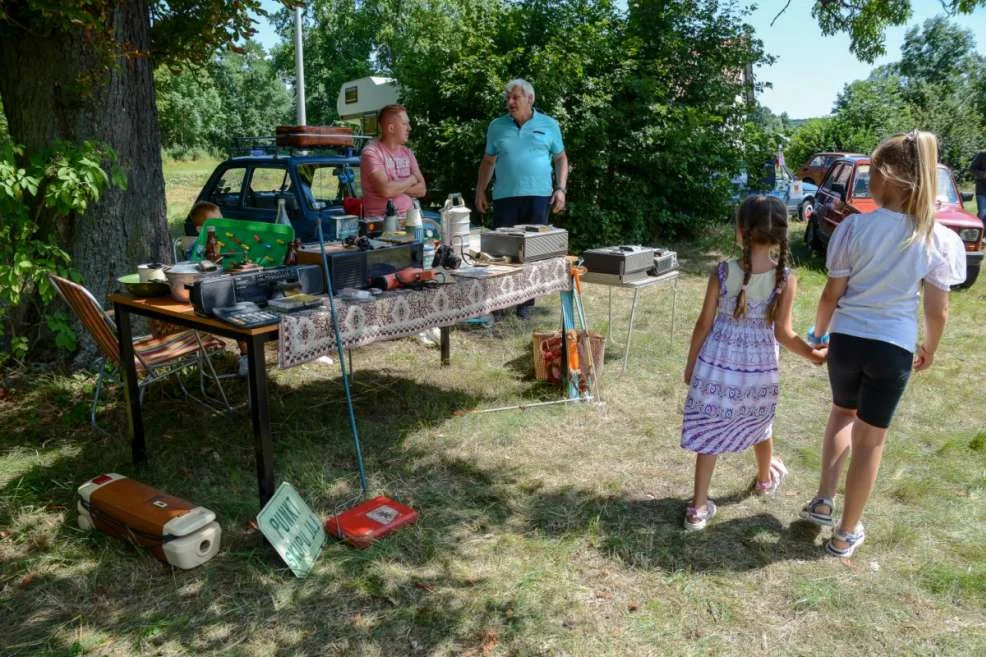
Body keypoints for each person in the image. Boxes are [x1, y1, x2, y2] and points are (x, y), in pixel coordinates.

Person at [801, 130, 966, 557]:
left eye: (872, 169)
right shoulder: (936, 238)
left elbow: (830, 295)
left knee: (841, 413)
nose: (868, 177)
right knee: (871, 441)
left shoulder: (855, 226)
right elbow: (937, 309)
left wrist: (819, 334)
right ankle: (845, 533)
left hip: (847, 340)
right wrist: (930, 346)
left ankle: (822, 500)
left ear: (888, 177)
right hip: (892, 348)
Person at [680, 195, 827, 531]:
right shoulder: (785, 279)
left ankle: (698, 508)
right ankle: (764, 479)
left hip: (717, 367)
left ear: (741, 231)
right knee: (760, 422)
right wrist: (813, 355)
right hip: (758, 372)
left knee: (709, 430)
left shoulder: (721, 272)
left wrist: (691, 365)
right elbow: (785, 333)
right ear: (781, 234)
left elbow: (703, 324)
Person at [475, 79, 568, 319]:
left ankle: (525, 303)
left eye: (515, 97)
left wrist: (561, 189)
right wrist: (480, 191)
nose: (510, 102)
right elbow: (488, 162)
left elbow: (560, 158)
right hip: (505, 197)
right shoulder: (497, 126)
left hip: (539, 197)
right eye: (508, 98)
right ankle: (498, 304)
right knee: (499, 252)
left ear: (530, 99)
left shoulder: (549, 124)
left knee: (531, 252)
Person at [359, 104, 426, 218]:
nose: (409, 128)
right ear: (391, 128)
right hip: (381, 225)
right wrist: (411, 179)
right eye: (405, 124)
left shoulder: (407, 152)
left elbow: (422, 190)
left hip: (409, 221)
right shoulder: (371, 152)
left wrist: (395, 187)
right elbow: (386, 190)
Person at [970, 149, 986, 226]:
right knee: (982, 213)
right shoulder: (982, 154)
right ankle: (979, 232)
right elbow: (972, 169)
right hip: (982, 190)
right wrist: (984, 175)